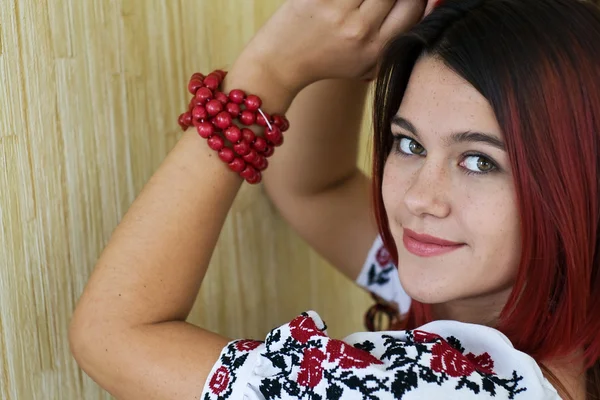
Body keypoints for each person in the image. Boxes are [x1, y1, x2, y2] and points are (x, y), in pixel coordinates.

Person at [68, 0, 600, 398]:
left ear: (578, 178)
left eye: (480, 161)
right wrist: (369, 35)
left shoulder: (442, 387)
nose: (420, 198)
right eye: (409, 144)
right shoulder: (527, 306)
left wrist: (268, 73)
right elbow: (312, 189)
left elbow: (114, 333)